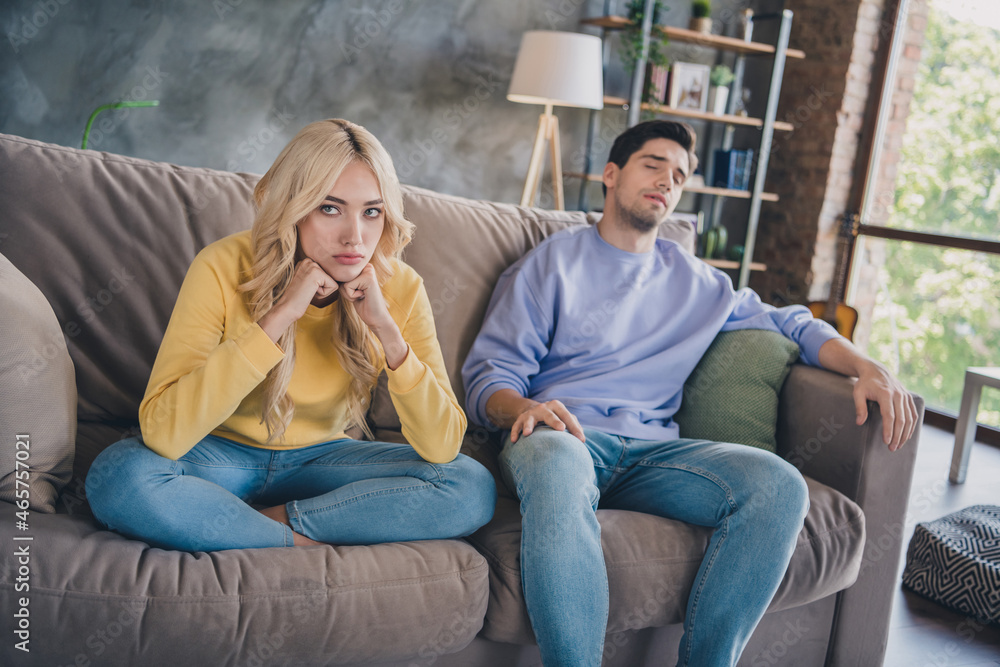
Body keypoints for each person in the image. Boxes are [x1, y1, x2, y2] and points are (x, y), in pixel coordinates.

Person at [461, 120, 917, 667]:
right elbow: (489, 377)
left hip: (652, 454)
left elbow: (793, 325)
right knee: (558, 462)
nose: (667, 181)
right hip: (561, 434)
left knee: (778, 486)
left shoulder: (701, 283)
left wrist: (866, 366)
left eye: (679, 175)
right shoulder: (551, 264)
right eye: (653, 164)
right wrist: (526, 409)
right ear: (611, 174)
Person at [87, 118, 496, 552]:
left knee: (469, 485)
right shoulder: (221, 266)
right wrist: (280, 316)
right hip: (219, 457)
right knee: (119, 475)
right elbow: (164, 434)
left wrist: (387, 332)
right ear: (293, 207)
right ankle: (296, 546)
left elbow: (443, 445)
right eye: (329, 208)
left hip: (324, 462)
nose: (354, 237)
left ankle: (273, 523)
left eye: (371, 212)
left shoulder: (401, 287)